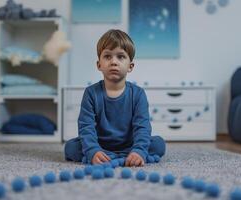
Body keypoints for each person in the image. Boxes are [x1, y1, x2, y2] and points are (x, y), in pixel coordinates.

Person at [64, 29, 165, 167]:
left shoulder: (138, 94)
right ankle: (110, 156)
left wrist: (138, 151)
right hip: (100, 144)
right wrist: (93, 151)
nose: (114, 62)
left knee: (158, 144)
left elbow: (143, 127)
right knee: (71, 147)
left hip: (129, 144)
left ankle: (128, 156)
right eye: (107, 56)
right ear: (99, 65)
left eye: (120, 56)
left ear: (130, 66)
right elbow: (86, 126)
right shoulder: (91, 93)